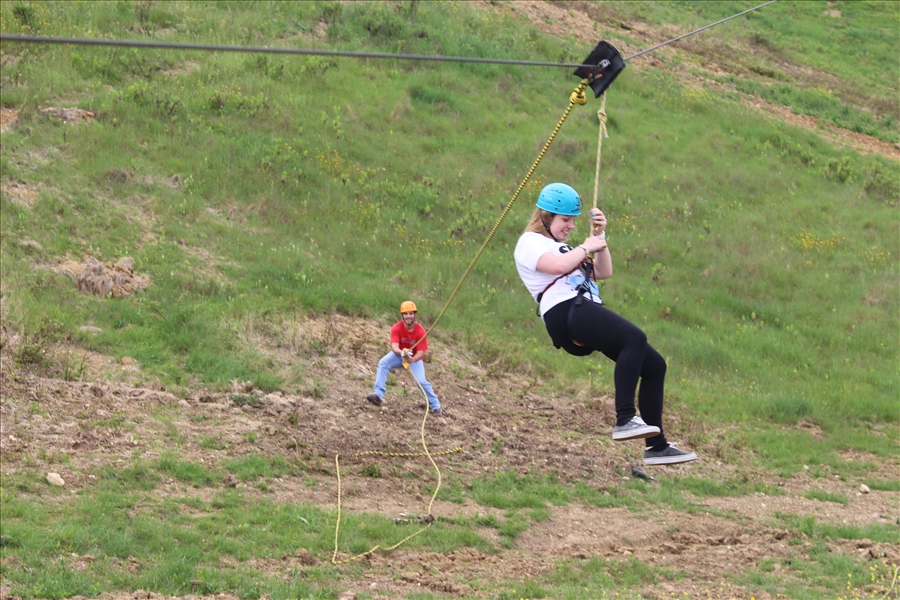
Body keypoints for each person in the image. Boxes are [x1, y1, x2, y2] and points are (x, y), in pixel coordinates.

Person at [513, 183, 696, 465]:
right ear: (546, 217)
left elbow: (603, 271)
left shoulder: (565, 247)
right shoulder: (530, 242)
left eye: (573, 220)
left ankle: (656, 447)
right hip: (565, 310)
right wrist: (586, 246)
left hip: (583, 308)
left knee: (654, 366)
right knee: (634, 338)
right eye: (566, 220)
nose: (571, 226)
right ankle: (625, 418)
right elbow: (557, 267)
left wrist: (600, 238)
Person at [367, 300, 443, 417]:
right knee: (383, 363)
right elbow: (394, 347)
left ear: (415, 314)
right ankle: (377, 395)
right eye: (406, 314)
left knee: (420, 381)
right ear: (402, 315)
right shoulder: (396, 328)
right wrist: (401, 353)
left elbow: (421, 352)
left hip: (415, 358)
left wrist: (412, 359)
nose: (408, 316)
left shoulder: (420, 331)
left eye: (411, 313)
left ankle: (435, 405)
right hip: (400, 355)